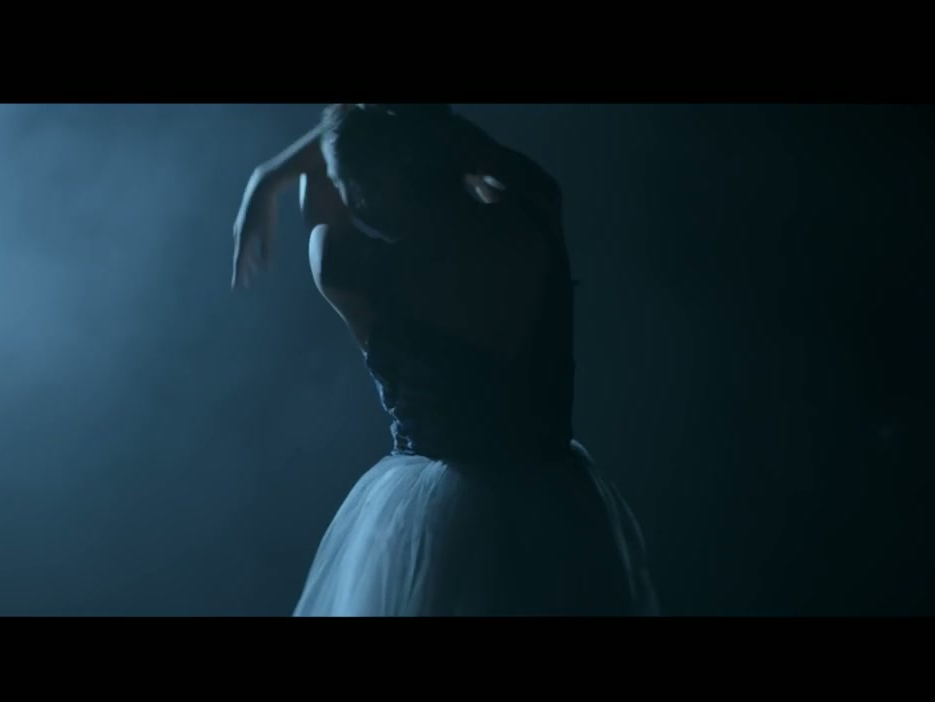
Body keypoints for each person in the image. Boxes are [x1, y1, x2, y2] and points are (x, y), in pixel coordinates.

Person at [232, 103, 659, 616]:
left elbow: (322, 177)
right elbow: (499, 161)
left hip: (434, 530)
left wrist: (270, 177)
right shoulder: (535, 212)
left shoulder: (349, 271)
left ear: (367, 192)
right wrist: (428, 129)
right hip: (559, 510)